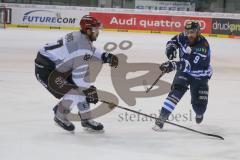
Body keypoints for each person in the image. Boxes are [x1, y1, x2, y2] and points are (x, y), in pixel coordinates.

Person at [34, 15, 118, 132]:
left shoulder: (81, 37)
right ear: (88, 30)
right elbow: (79, 77)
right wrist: (89, 91)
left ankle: (86, 119)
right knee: (75, 92)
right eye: (95, 30)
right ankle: (59, 115)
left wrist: (105, 56)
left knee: (82, 88)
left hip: (56, 66)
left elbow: (91, 50)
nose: (98, 32)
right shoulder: (82, 46)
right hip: (45, 70)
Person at [154, 21, 212, 130]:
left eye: (193, 32)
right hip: (184, 71)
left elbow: (190, 65)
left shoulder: (202, 47)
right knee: (176, 91)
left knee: (199, 108)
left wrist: (173, 65)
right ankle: (161, 118)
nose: (189, 35)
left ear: (198, 32)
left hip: (199, 75)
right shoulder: (183, 36)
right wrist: (170, 48)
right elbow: (173, 41)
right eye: (188, 32)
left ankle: (199, 113)